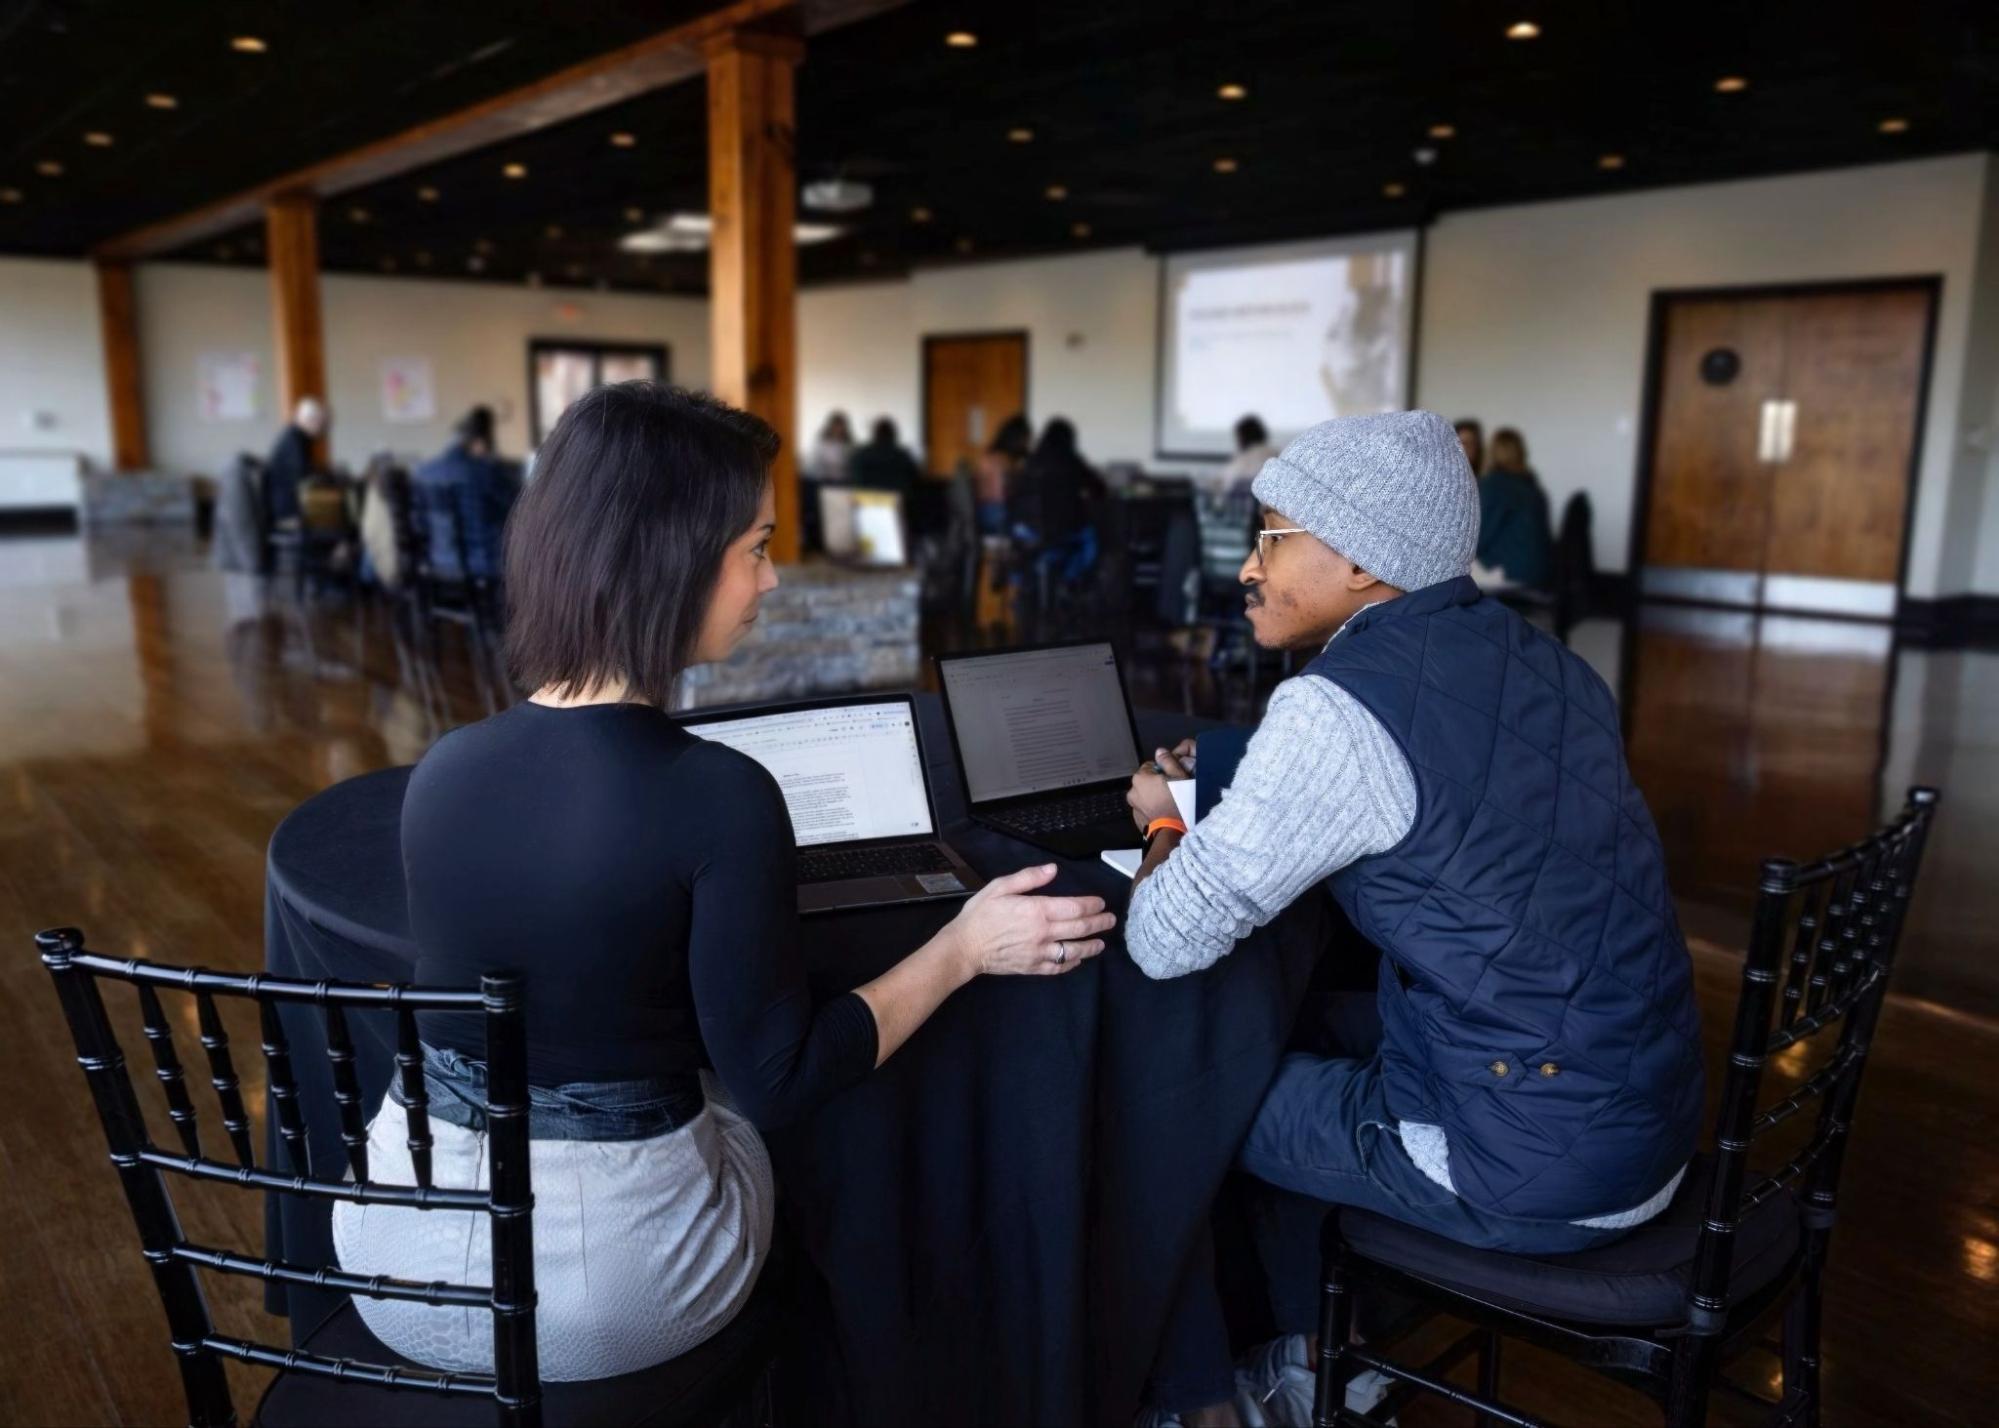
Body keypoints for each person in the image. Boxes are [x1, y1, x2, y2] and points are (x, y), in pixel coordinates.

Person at [332, 382, 1114, 1383]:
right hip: (593, 1296)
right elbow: (780, 1080)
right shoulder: (718, 795)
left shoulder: (443, 767)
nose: (773, 579)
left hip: (392, 1254)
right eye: (756, 546)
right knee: (784, 1118)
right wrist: (965, 946)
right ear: (674, 561)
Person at [1122, 410, 1703, 1425]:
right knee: (1281, 1026)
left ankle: (1223, 1399)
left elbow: (1162, 937)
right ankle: (1322, 1350)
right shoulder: (1550, 663)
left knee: (1177, 1093)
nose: (1248, 569)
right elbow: (1453, 800)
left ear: (1358, 561)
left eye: (1272, 537)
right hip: (1637, 1112)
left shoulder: (1336, 710)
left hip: (1529, 1161)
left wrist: (1169, 833)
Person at [411, 405, 519, 582]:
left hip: (436, 562)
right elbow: (515, 508)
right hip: (485, 565)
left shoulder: (423, 473)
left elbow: (418, 523)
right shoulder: (484, 472)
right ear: (480, 442)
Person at [1475, 426, 1554, 589]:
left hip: (1511, 571)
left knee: (1447, 575)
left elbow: (1478, 538)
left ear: (1492, 453)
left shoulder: (1494, 485)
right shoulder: (1533, 487)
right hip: (1541, 570)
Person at [1010, 416, 1107, 548]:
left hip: (1028, 530)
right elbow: (1099, 489)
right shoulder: (1072, 461)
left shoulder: (1029, 462)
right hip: (1065, 529)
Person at [263, 396, 328, 528]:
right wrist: (324, 476)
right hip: (287, 511)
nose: (321, 427)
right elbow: (303, 474)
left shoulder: (297, 436)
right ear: (308, 420)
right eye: (318, 422)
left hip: (286, 504)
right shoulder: (294, 440)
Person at [975, 413, 1032, 535]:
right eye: (1026, 439)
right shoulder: (1003, 460)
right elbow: (1001, 493)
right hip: (997, 512)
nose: (1028, 444)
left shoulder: (988, 455)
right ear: (1017, 439)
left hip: (981, 510)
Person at [848, 416, 924, 503]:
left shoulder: (861, 454)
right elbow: (915, 478)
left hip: (868, 501)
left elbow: (855, 480)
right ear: (893, 434)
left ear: (874, 433)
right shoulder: (902, 455)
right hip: (897, 501)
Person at [1220, 415, 1277, 494]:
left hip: (1242, 501)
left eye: (1239, 437)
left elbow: (1227, 483)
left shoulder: (1244, 459)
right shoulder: (1275, 454)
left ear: (1244, 437)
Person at [808, 410, 854, 482]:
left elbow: (851, 464)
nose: (838, 429)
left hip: (844, 480)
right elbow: (816, 464)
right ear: (831, 427)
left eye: (841, 427)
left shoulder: (848, 445)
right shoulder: (822, 443)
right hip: (825, 479)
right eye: (836, 426)